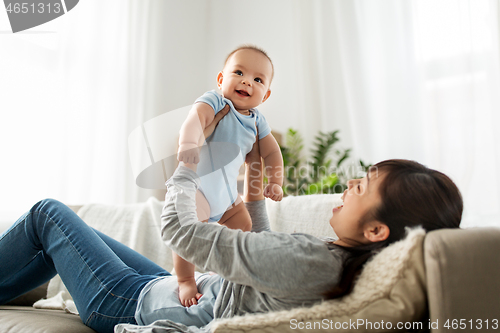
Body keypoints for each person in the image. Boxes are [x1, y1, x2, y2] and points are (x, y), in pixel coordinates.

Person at [0, 140, 463, 333]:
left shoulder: (315, 262)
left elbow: (177, 228)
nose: (346, 188)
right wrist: (252, 193)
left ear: (377, 230)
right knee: (72, 236)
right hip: (175, 290)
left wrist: (187, 166)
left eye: (359, 188)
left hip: (130, 303)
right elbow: (263, 262)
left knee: (48, 215)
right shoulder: (336, 264)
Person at [174, 45, 284, 307]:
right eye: (239, 72)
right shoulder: (215, 100)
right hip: (197, 188)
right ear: (221, 79)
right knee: (187, 232)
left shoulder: (257, 121)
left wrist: (276, 182)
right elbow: (195, 119)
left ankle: (221, 270)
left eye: (258, 79)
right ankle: (185, 280)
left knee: (244, 227)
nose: (247, 81)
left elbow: (272, 152)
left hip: (225, 195)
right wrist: (188, 143)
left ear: (265, 95)